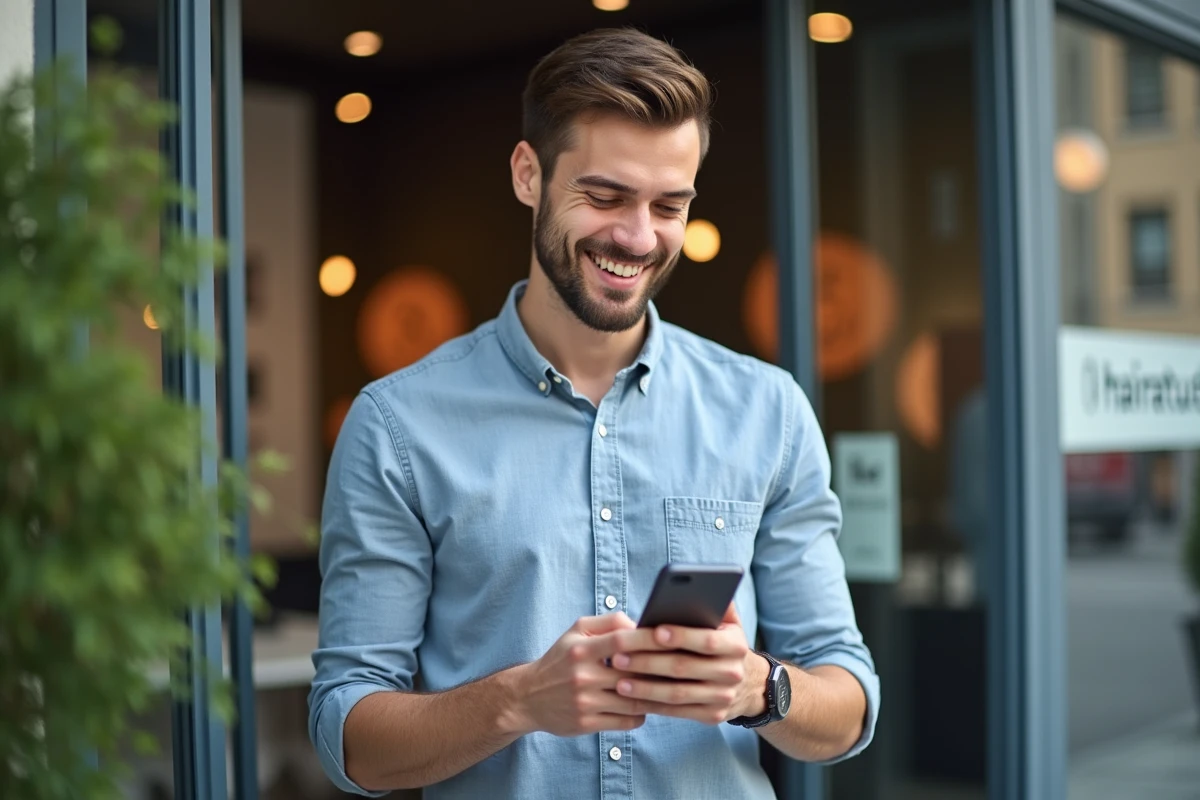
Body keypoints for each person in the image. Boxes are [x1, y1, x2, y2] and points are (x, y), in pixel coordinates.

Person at [308, 27, 879, 799]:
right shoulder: (397, 427)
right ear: (527, 175)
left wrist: (758, 689)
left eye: (668, 206)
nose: (637, 237)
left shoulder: (768, 411)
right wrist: (518, 702)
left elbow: (847, 706)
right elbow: (350, 736)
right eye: (604, 196)